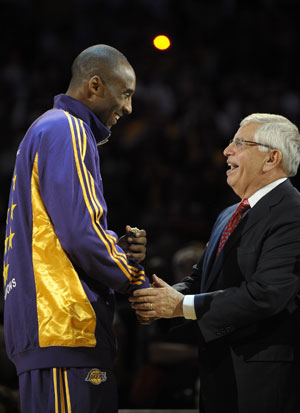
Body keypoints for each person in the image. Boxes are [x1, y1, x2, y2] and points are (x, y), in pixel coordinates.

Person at [3, 44, 150, 413]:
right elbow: (80, 234)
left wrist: (116, 244)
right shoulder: (68, 128)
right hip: (64, 325)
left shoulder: (45, 129)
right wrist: (134, 278)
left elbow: (59, 231)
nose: (129, 108)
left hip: (46, 325)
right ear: (95, 85)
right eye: (126, 93)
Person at [130, 113, 300, 413]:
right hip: (216, 377)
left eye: (240, 143)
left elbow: (266, 294)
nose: (226, 151)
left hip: (264, 383)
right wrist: (156, 300)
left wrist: (180, 305)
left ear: (272, 158)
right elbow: (199, 282)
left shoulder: (292, 213)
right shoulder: (228, 215)